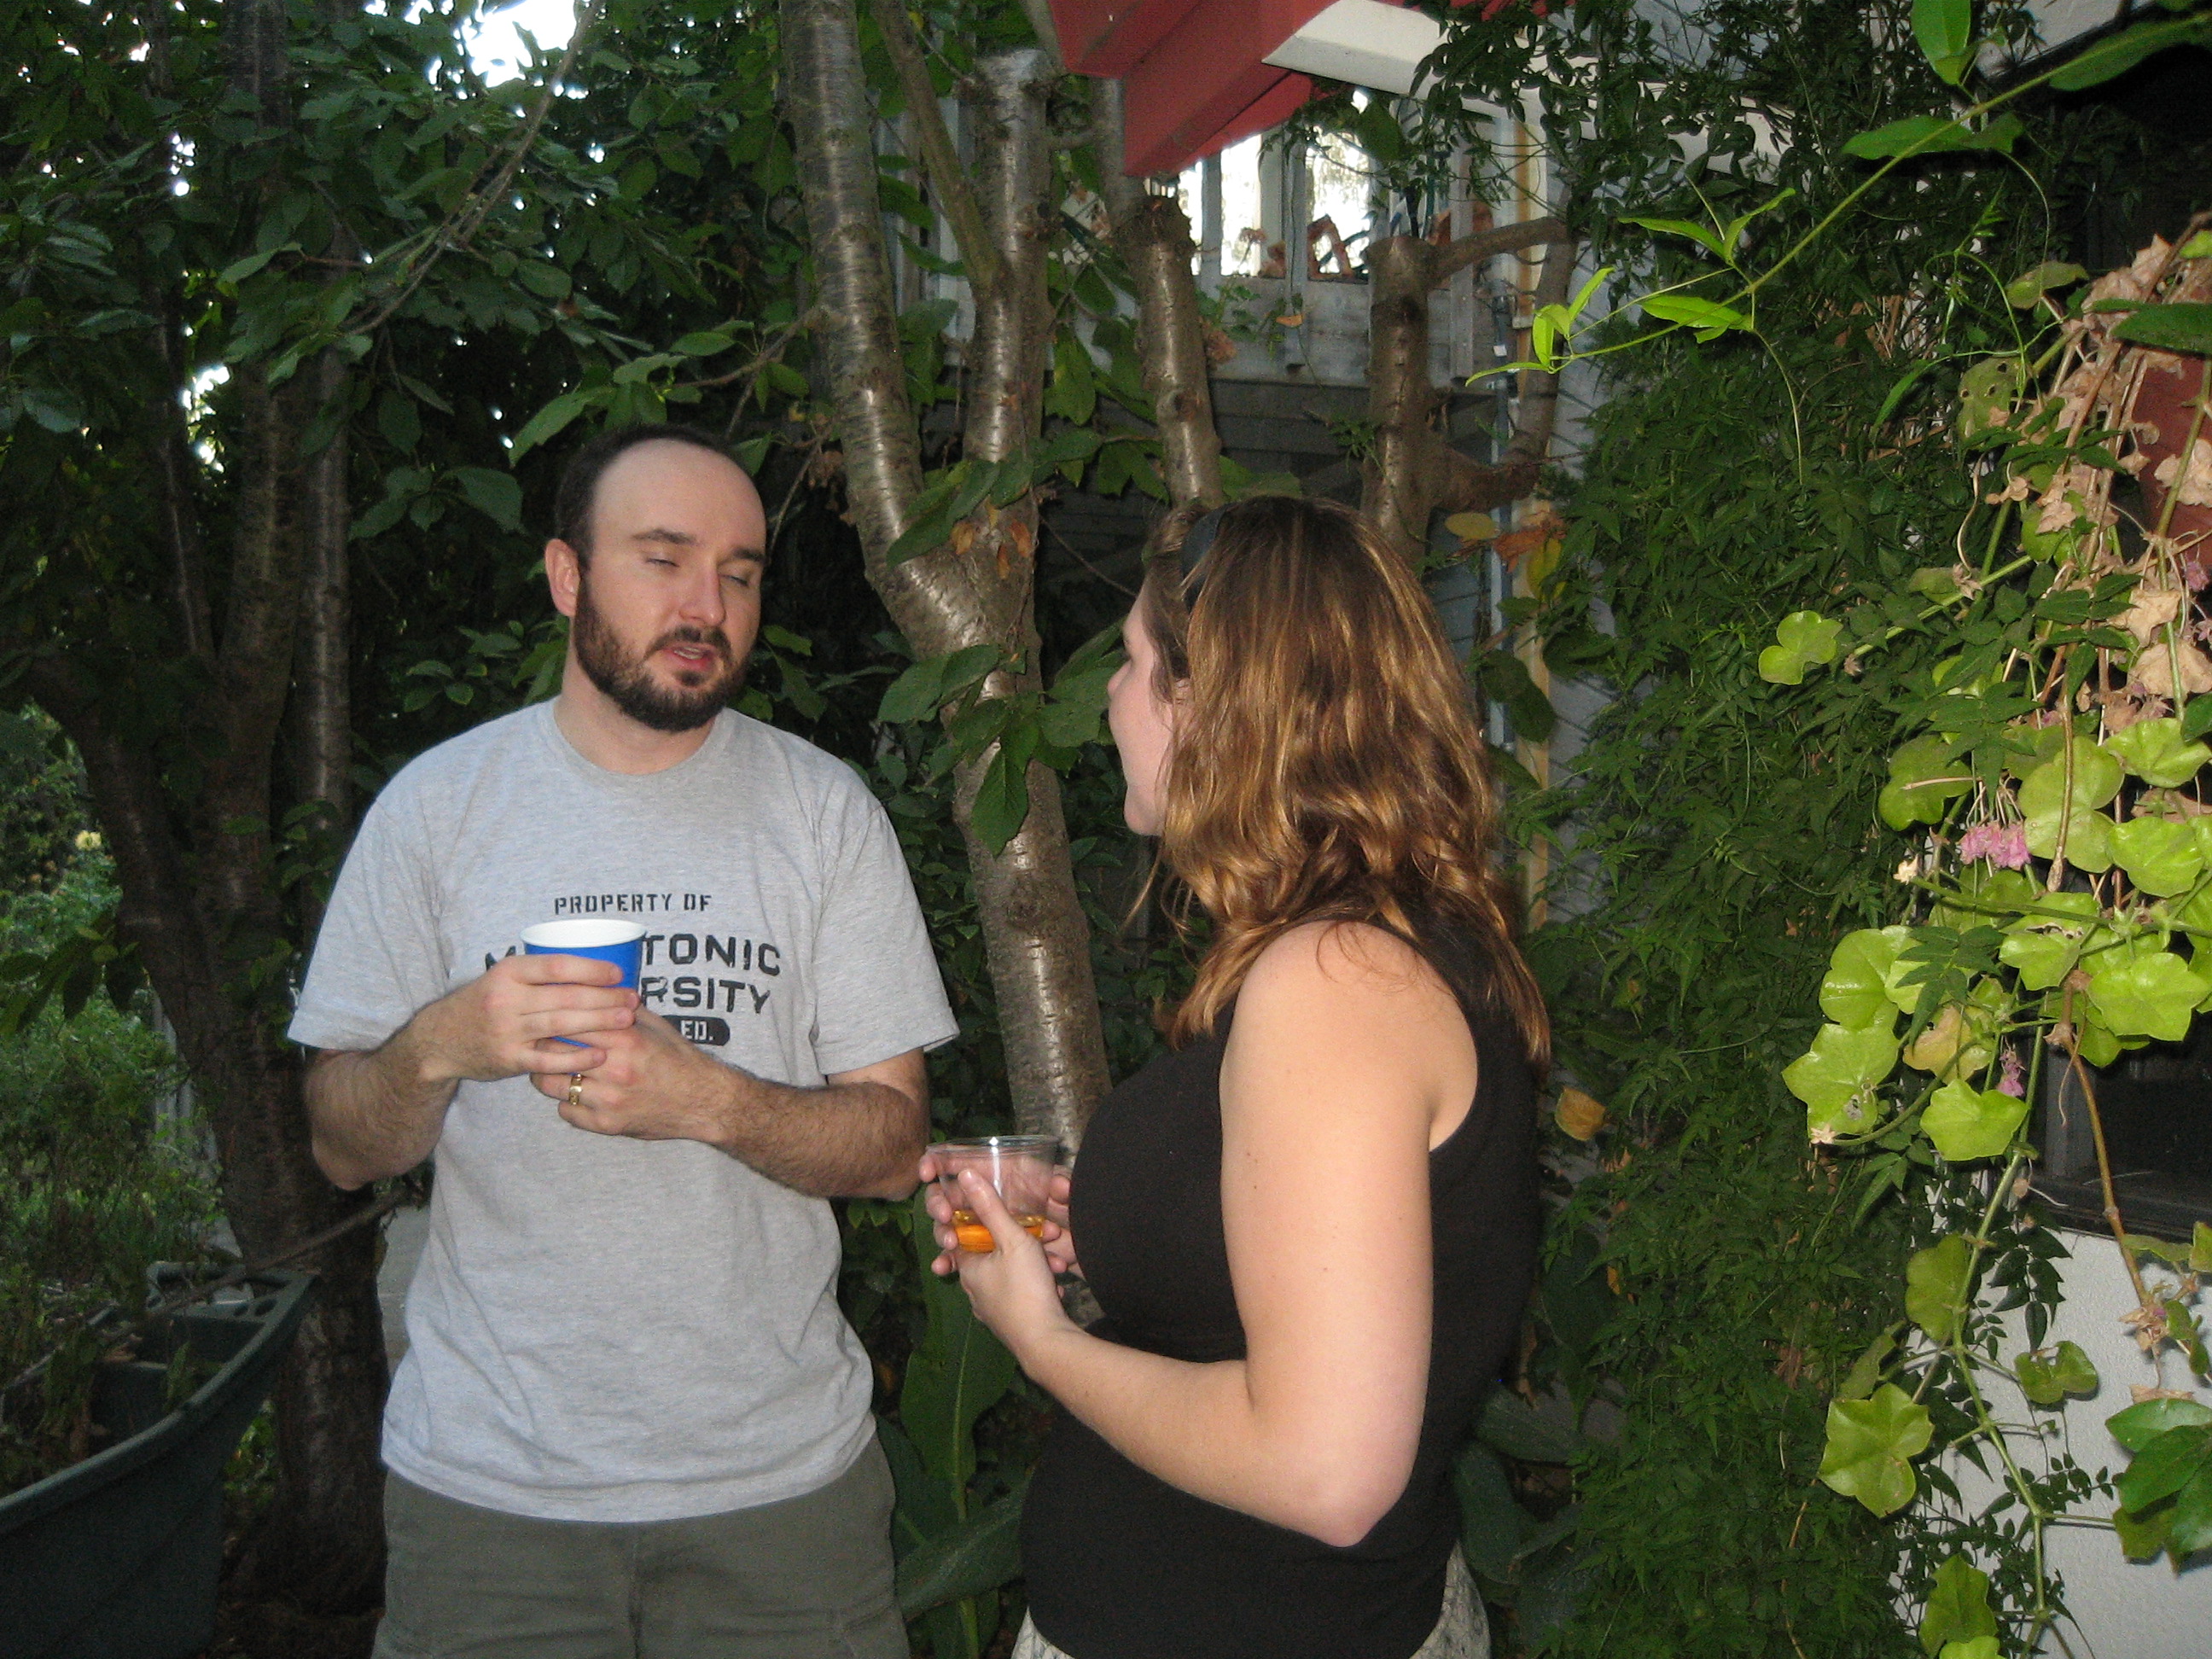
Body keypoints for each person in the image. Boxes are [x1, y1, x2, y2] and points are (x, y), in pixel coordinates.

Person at [294, 426, 957, 1659]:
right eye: (663, 559)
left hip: (779, 1496)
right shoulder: (437, 811)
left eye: (740, 573)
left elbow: (889, 1148)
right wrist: (439, 1044)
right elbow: (340, 1146)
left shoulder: (825, 815)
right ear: (567, 577)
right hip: (492, 1499)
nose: (708, 605)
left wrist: (714, 1103)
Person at [925, 496, 1549, 1659]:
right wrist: (1108, 1230)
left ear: (1211, 704)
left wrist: (1041, 1340)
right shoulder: (1382, 942)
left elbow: (1325, 1471)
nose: (1112, 698)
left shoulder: (1333, 980)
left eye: (1132, 664)